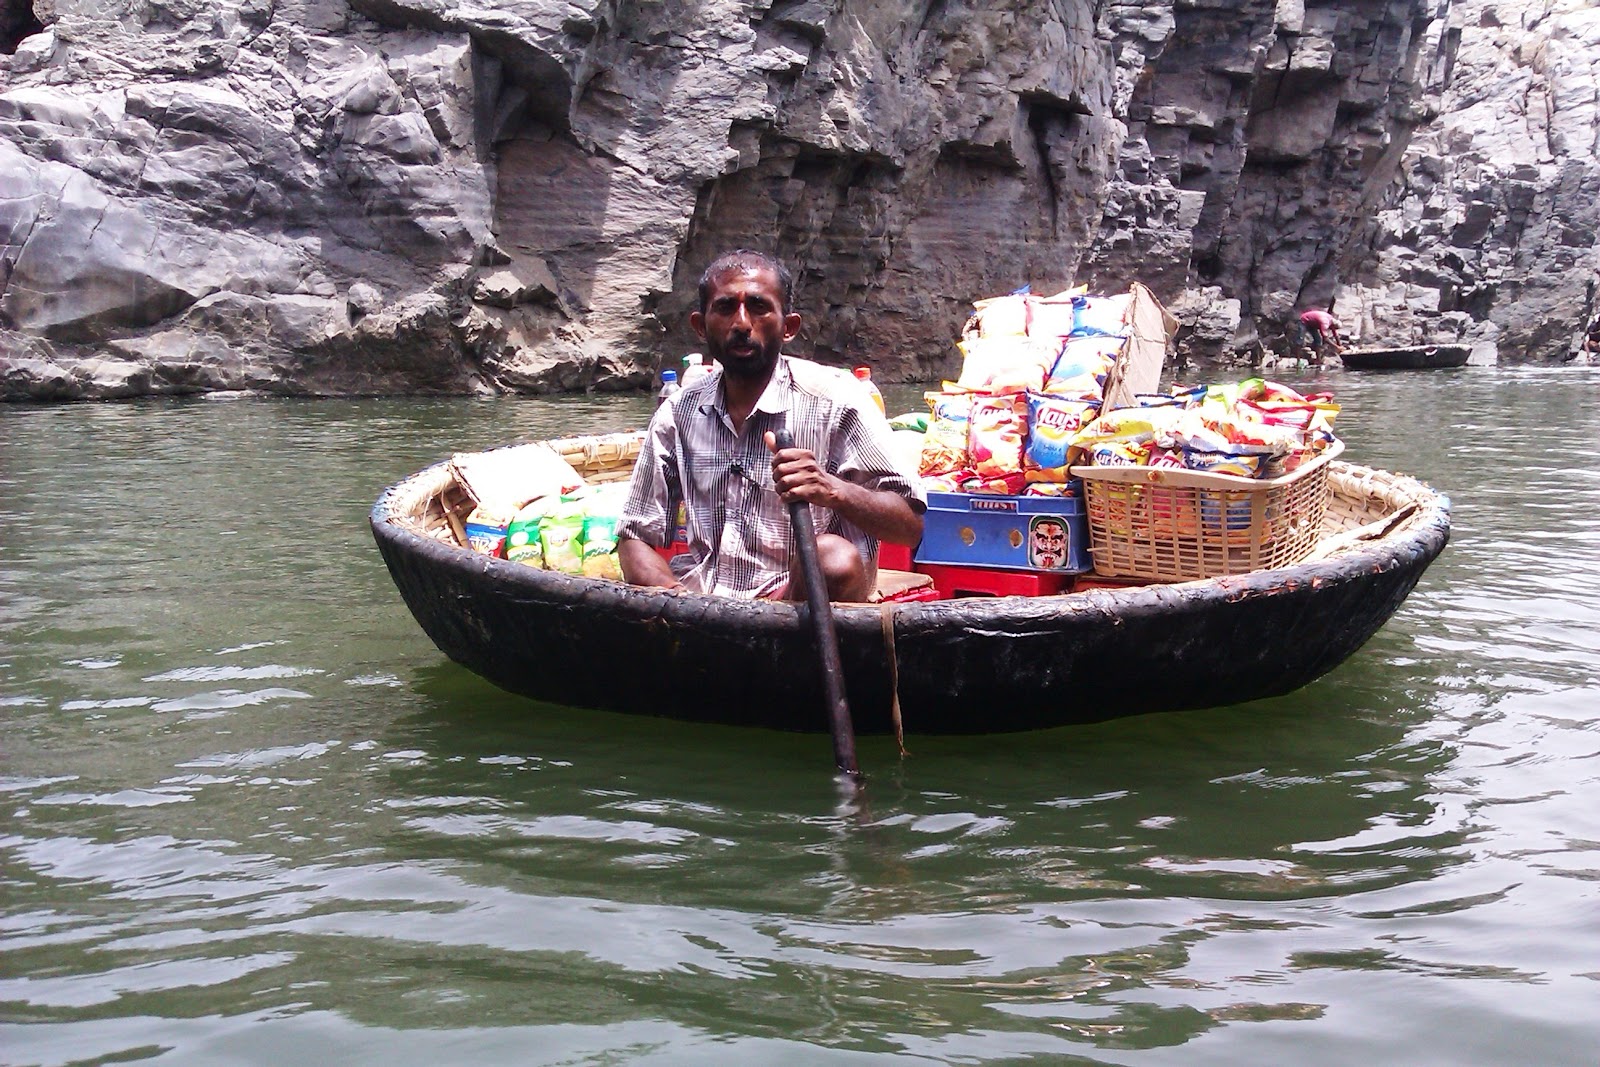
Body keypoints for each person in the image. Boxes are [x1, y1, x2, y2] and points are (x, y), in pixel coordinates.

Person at [616, 250, 925, 603]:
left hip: (798, 609)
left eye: (759, 307)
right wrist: (674, 599)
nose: (742, 323)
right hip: (703, 606)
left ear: (788, 327)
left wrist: (833, 489)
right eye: (726, 307)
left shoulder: (838, 400)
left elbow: (910, 527)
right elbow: (633, 535)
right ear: (701, 327)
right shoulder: (678, 413)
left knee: (832, 558)